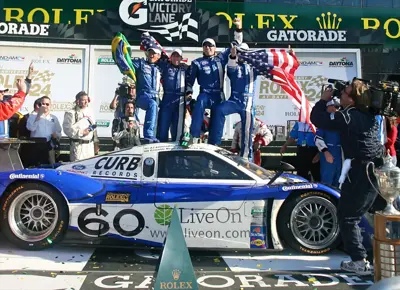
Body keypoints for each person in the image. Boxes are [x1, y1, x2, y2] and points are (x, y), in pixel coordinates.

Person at [310, 79, 385, 275]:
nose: (339, 95)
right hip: (372, 170)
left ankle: (359, 260)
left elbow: (318, 119)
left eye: (344, 93)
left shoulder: (349, 116)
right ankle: (372, 253)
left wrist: (322, 100)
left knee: (348, 216)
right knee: (370, 212)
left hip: (364, 172)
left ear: (352, 99)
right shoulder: (368, 114)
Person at [185, 18, 243, 145]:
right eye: (205, 45)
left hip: (218, 94)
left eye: (210, 45)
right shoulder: (197, 62)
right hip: (205, 93)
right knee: (199, 101)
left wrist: (238, 28)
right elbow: (190, 80)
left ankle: (215, 143)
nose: (208, 47)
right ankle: (194, 136)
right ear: (202, 48)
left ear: (215, 48)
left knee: (218, 113)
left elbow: (236, 43)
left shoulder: (221, 58)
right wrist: (188, 92)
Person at [210, 42, 259, 160]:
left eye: (243, 52)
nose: (241, 55)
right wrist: (232, 56)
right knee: (219, 109)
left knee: (247, 131)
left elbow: (271, 68)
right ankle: (214, 143)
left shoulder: (254, 66)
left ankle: (246, 158)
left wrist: (287, 56)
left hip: (248, 103)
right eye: (239, 52)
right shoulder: (233, 65)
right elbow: (231, 69)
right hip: (234, 100)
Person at [130, 37, 163, 143]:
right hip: (143, 95)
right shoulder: (141, 63)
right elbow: (128, 64)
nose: (152, 55)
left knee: (157, 112)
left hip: (156, 95)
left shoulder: (161, 67)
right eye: (150, 52)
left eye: (154, 53)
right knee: (152, 105)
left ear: (159, 55)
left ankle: (153, 136)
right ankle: (148, 135)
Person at [156, 48, 190, 142]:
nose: (176, 58)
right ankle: (161, 147)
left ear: (181, 58)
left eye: (178, 56)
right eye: (174, 55)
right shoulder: (166, 66)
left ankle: (177, 148)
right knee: (163, 125)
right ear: (171, 57)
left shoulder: (185, 68)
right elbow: (157, 61)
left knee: (177, 127)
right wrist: (162, 57)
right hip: (167, 98)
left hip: (180, 100)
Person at [63, 91, 100, 161]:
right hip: (78, 146)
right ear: (77, 101)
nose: (86, 102)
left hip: (89, 146)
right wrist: (81, 132)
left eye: (87, 100)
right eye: (83, 100)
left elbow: (94, 128)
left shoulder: (90, 111)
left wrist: (96, 143)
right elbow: (67, 129)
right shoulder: (71, 113)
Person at [314, 97, 342, 187]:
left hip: (341, 157)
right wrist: (325, 152)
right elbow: (317, 138)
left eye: (337, 107)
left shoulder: (342, 122)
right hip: (328, 156)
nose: (334, 109)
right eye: (332, 106)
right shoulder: (323, 123)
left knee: (339, 182)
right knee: (327, 182)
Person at [26, 96, 62, 165]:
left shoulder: (54, 118)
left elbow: (59, 131)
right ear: (39, 105)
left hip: (48, 145)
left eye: (47, 104)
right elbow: (30, 128)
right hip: (35, 145)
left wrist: (56, 135)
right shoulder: (33, 116)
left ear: (50, 105)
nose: (45, 106)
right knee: (35, 167)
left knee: (48, 166)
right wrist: (39, 115)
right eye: (43, 104)